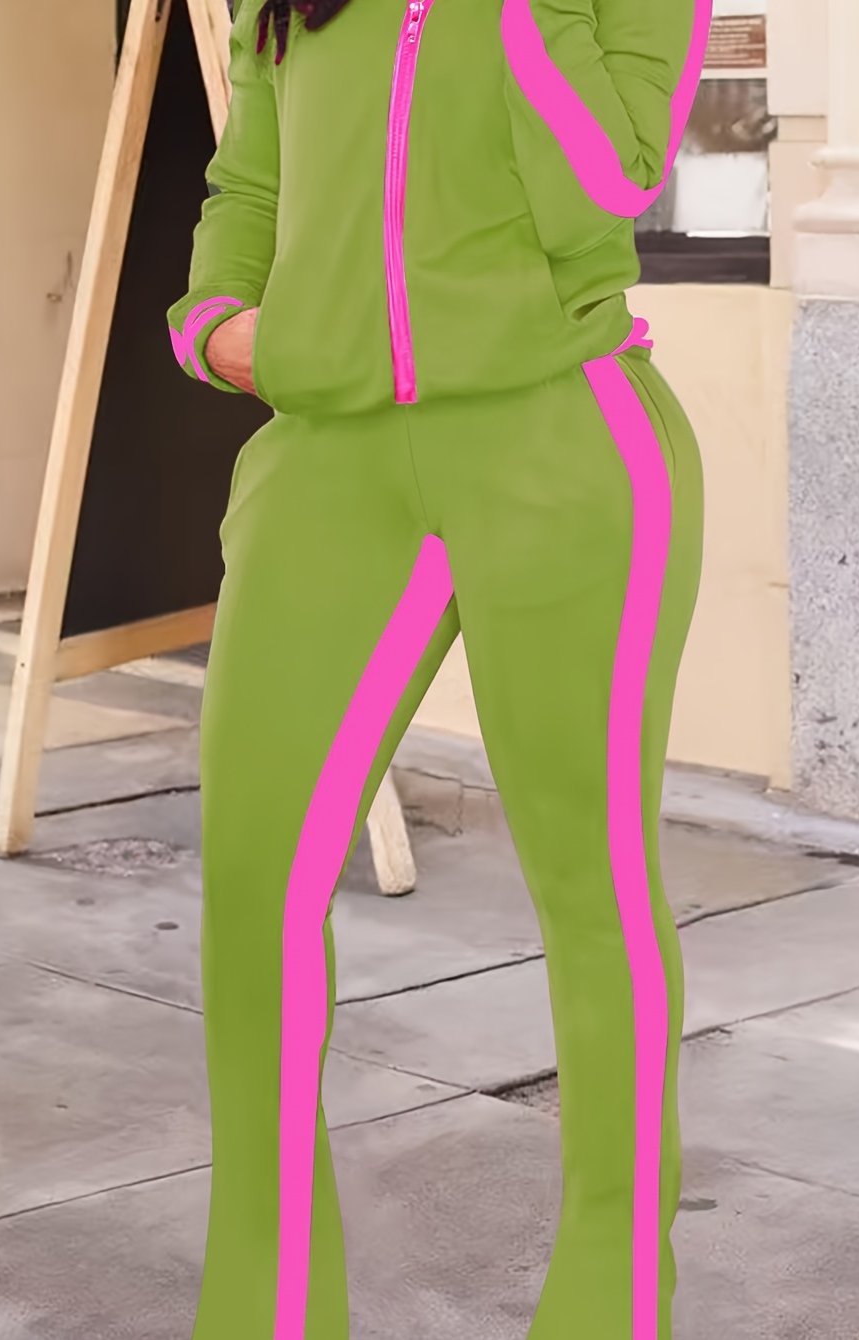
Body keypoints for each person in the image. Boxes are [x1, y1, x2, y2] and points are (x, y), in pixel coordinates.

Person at [166, 0, 712, 1334]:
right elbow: (251, 183)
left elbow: (608, 183)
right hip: (328, 464)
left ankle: (609, 1309)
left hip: (563, 447)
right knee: (254, 886)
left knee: (593, 891)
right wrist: (222, 324)